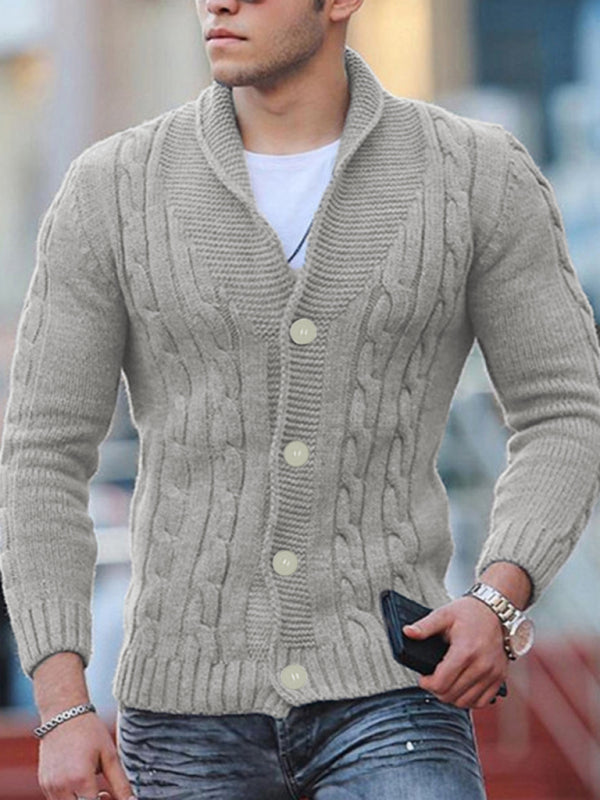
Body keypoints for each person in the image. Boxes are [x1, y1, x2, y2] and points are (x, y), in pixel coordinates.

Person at [1, 0, 599, 798]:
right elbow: (42, 456)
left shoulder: (474, 174)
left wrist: (499, 595)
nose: (218, 2)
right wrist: (62, 704)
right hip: (182, 719)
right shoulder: (112, 187)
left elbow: (563, 408)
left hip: (395, 693)